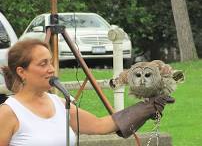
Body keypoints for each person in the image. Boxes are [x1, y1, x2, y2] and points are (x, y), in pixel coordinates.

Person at [0, 39, 174, 146]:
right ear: (22, 72)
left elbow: (100, 125)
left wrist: (146, 108)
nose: (51, 69)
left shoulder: (60, 103)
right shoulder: (9, 113)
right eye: (43, 64)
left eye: (51, 62)